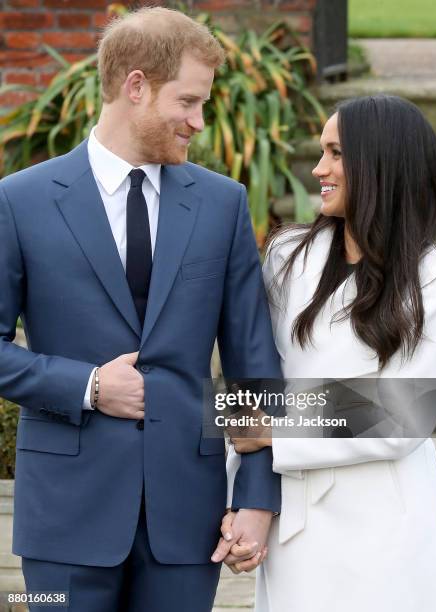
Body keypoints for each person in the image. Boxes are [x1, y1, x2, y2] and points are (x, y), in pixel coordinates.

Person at [0, 7, 281, 612]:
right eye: (188, 102)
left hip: (188, 524)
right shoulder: (19, 201)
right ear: (135, 86)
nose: (199, 121)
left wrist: (257, 498)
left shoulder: (222, 205)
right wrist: (90, 386)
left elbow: (253, 366)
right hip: (63, 528)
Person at [226, 95, 436, 611]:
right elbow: (253, 381)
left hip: (386, 526)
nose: (318, 168)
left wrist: (278, 429)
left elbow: (404, 413)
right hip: (296, 517)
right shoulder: (288, 257)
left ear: (379, 164)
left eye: (335, 153)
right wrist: (243, 499)